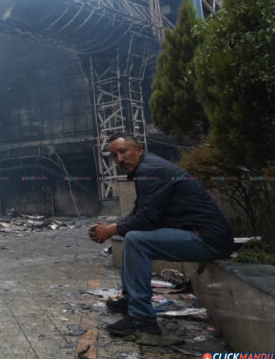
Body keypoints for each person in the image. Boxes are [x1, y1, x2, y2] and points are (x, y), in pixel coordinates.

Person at [88, 132, 234, 337]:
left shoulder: (151, 170)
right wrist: (110, 227)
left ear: (138, 149)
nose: (119, 159)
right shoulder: (145, 169)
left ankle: (142, 320)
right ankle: (130, 301)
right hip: (195, 233)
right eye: (114, 156)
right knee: (132, 237)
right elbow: (141, 212)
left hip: (208, 238)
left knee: (136, 241)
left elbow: (146, 220)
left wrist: (109, 230)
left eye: (123, 151)